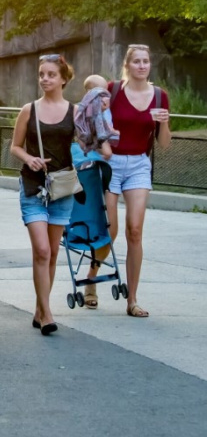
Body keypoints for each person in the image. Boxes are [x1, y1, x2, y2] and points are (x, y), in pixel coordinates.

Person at [84, 44, 171, 318]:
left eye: (146, 61)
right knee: (109, 231)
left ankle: (132, 299)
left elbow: (164, 144)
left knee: (135, 231)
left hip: (139, 165)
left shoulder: (159, 96)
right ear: (128, 65)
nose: (142, 66)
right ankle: (91, 280)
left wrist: (165, 123)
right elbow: (92, 121)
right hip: (111, 164)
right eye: (137, 61)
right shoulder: (113, 90)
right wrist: (101, 148)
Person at [10, 53, 78, 336]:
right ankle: (47, 313)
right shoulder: (29, 109)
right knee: (42, 250)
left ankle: (41, 309)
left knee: (51, 255)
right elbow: (14, 146)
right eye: (41, 74)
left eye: (51, 74)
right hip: (33, 186)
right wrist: (29, 158)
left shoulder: (74, 111)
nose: (45, 79)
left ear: (63, 79)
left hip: (62, 187)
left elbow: (86, 142)